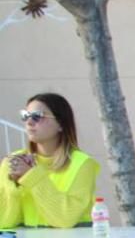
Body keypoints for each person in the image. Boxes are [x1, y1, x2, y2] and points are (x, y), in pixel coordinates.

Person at [1, 93, 99, 228]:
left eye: (37, 116)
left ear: (61, 124)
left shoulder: (83, 163)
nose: (29, 122)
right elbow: (4, 222)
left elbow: (65, 219)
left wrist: (31, 176)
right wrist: (13, 188)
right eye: (25, 116)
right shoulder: (13, 162)